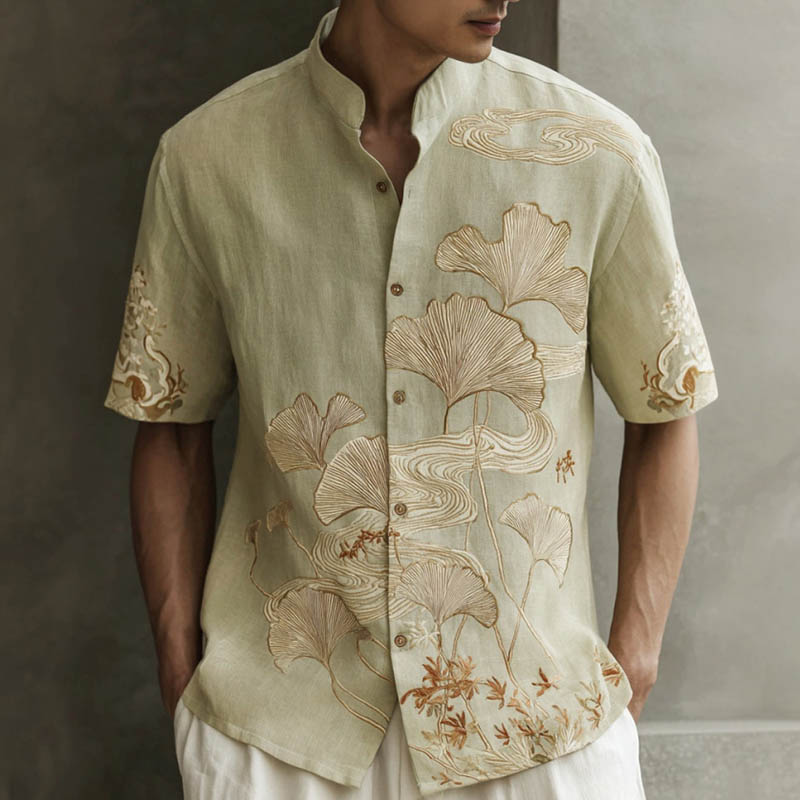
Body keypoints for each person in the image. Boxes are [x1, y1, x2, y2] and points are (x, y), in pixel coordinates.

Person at [103, 1, 719, 798]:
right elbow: (170, 424)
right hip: (279, 734)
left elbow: (664, 408)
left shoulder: (600, 150)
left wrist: (635, 660)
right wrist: (179, 668)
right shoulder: (207, 156)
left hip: (537, 730)